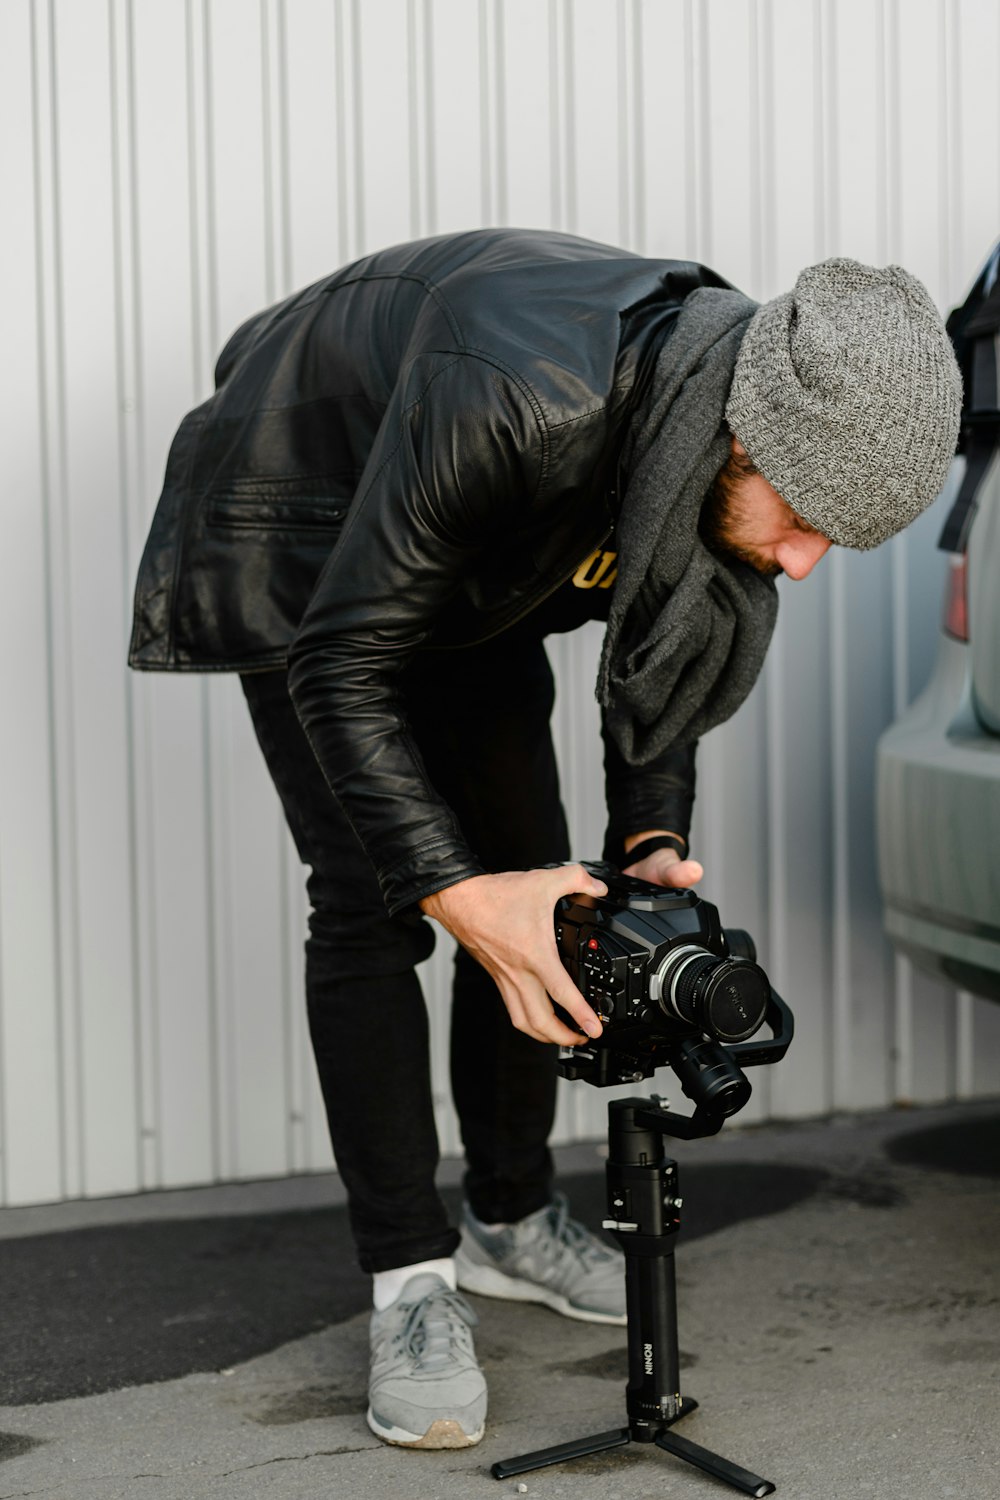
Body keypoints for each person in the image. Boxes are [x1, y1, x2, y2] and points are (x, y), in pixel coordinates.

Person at [129, 229, 960, 1450]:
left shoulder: (727, 392)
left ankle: (509, 1216)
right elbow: (344, 661)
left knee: (550, 890)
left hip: (471, 558)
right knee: (375, 897)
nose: (801, 561)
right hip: (300, 522)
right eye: (802, 521)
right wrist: (450, 890)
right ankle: (410, 1278)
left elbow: (674, 623)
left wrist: (649, 840)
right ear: (741, 440)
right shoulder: (519, 398)